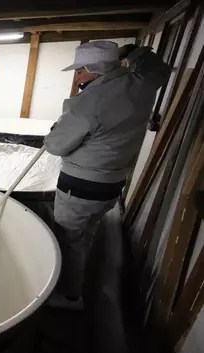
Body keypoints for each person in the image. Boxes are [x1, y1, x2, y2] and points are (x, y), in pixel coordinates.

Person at [44, 41, 170, 309]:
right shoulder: (142, 83)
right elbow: (157, 68)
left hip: (79, 187)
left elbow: (55, 146)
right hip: (112, 185)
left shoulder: (87, 104)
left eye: (80, 70)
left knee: (68, 239)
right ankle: (79, 276)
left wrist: (56, 129)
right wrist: (134, 52)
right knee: (87, 233)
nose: (76, 76)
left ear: (94, 70)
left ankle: (69, 296)